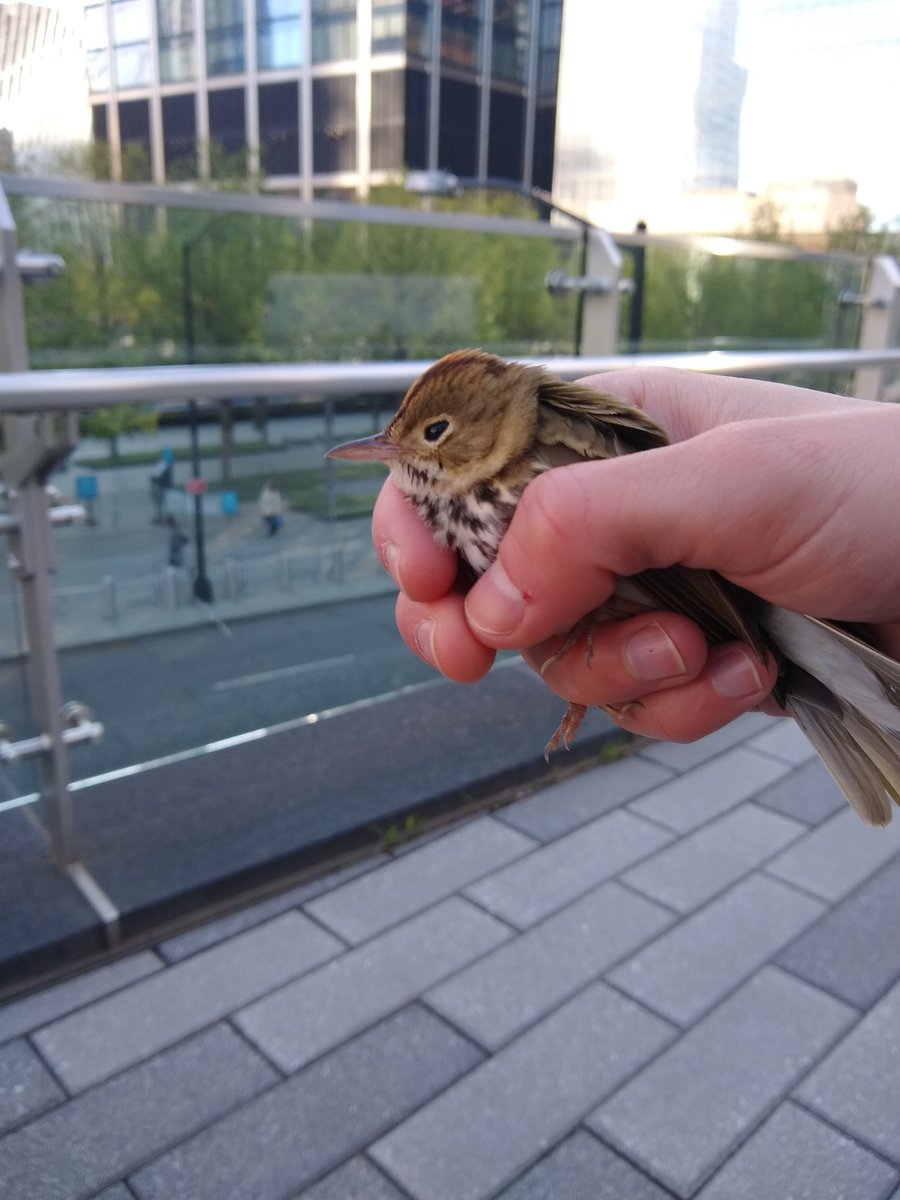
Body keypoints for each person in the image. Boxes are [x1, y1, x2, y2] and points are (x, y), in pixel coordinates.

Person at [371, 368, 900, 743]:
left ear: (491, 428)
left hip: (750, 609)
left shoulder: (538, 450)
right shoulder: (467, 499)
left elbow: (680, 571)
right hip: (755, 626)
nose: (412, 452)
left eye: (434, 433)